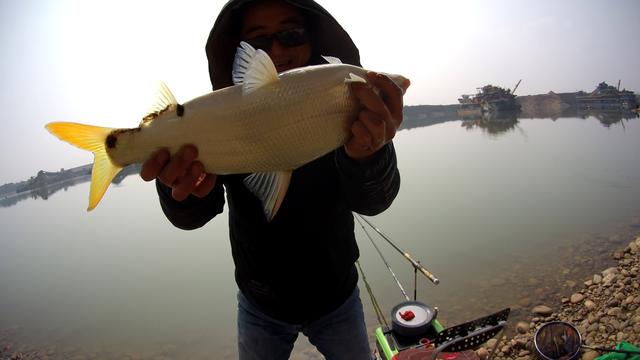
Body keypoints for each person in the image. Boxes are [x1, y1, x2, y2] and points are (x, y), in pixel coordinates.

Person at [140, 0, 406, 358]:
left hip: (337, 298)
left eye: (292, 34)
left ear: (312, 41)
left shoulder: (346, 109)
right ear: (240, 54)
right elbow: (194, 213)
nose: (277, 51)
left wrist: (370, 155)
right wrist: (179, 191)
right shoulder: (222, 120)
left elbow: (374, 201)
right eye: (259, 43)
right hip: (259, 306)